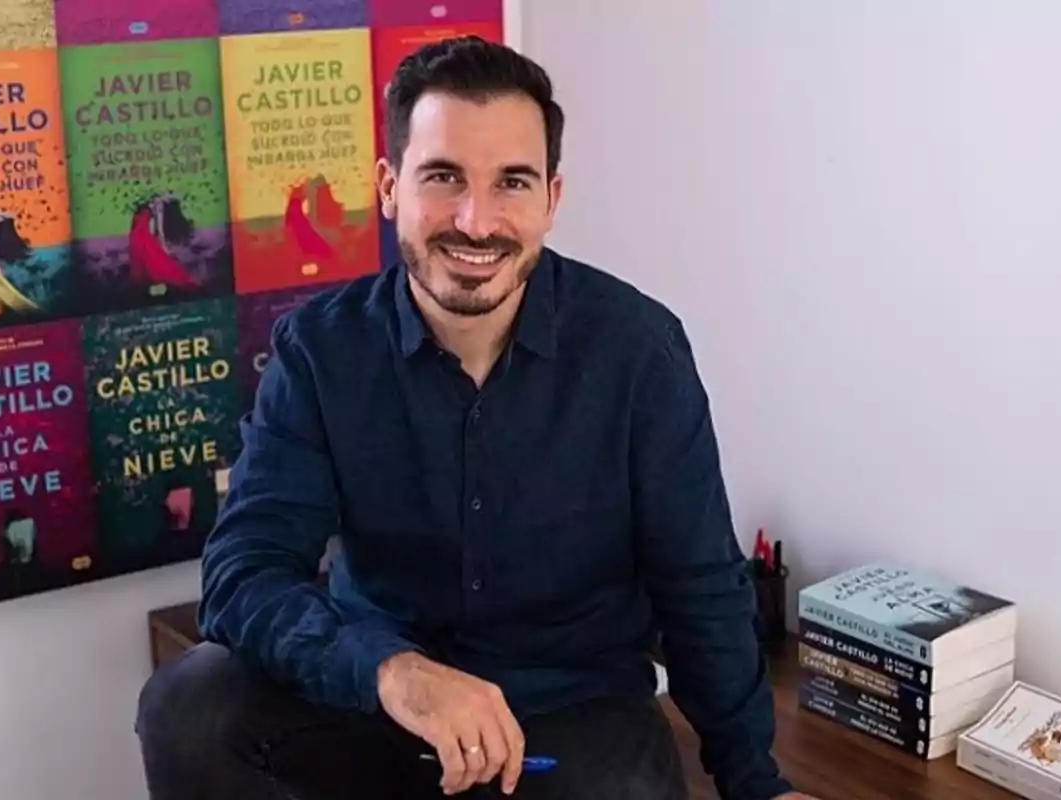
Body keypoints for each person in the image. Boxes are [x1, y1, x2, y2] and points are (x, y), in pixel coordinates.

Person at [135, 36, 817, 800]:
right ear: (390, 187)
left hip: (570, 713)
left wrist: (757, 782)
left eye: (511, 183)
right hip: (380, 698)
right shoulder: (320, 349)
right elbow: (242, 574)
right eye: (444, 177)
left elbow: (700, 585)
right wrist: (391, 671)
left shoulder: (639, 350)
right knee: (185, 707)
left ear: (551, 200)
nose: (477, 220)